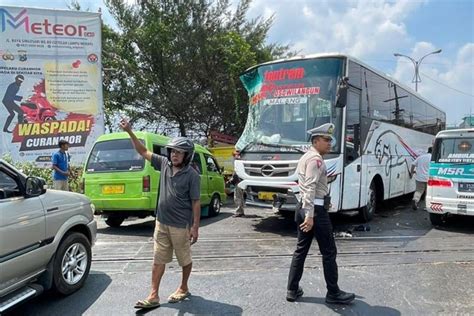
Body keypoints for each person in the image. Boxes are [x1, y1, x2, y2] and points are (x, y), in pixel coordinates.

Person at [119, 118, 201, 309]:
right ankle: (153, 295)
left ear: (187, 156)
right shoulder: (163, 163)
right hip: (161, 222)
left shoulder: (192, 175)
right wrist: (130, 131)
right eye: (173, 151)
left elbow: (196, 202)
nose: (174, 155)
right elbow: (142, 151)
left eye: (179, 152)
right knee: (158, 259)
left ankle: (183, 287)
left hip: (181, 225)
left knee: (184, 259)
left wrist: (195, 227)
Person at [286, 123, 355, 304]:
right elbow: (309, 187)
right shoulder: (315, 160)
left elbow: (310, 186)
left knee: (301, 250)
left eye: (330, 140)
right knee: (329, 252)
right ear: (316, 141)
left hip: (305, 207)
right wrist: (310, 215)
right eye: (326, 140)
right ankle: (333, 293)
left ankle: (292, 290)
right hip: (314, 212)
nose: (329, 143)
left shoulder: (307, 157)